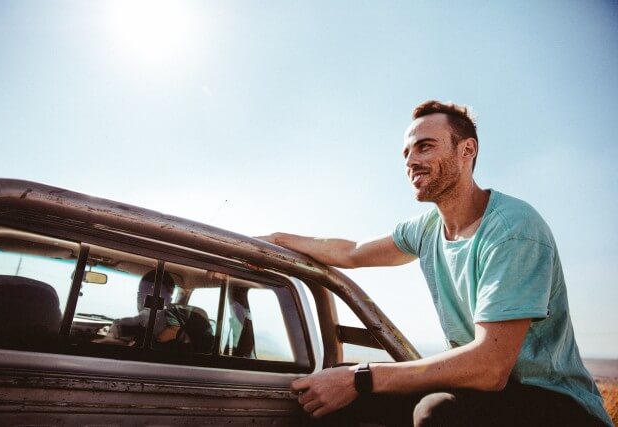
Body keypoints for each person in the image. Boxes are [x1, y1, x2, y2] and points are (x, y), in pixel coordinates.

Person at [258, 100, 612, 427]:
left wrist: (360, 377)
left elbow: (490, 368)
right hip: (485, 393)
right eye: (407, 152)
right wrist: (271, 241)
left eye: (425, 146)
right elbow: (351, 252)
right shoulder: (426, 228)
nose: (410, 161)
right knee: (329, 399)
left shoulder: (513, 230)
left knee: (436, 413)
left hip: (557, 406)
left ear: (467, 150)